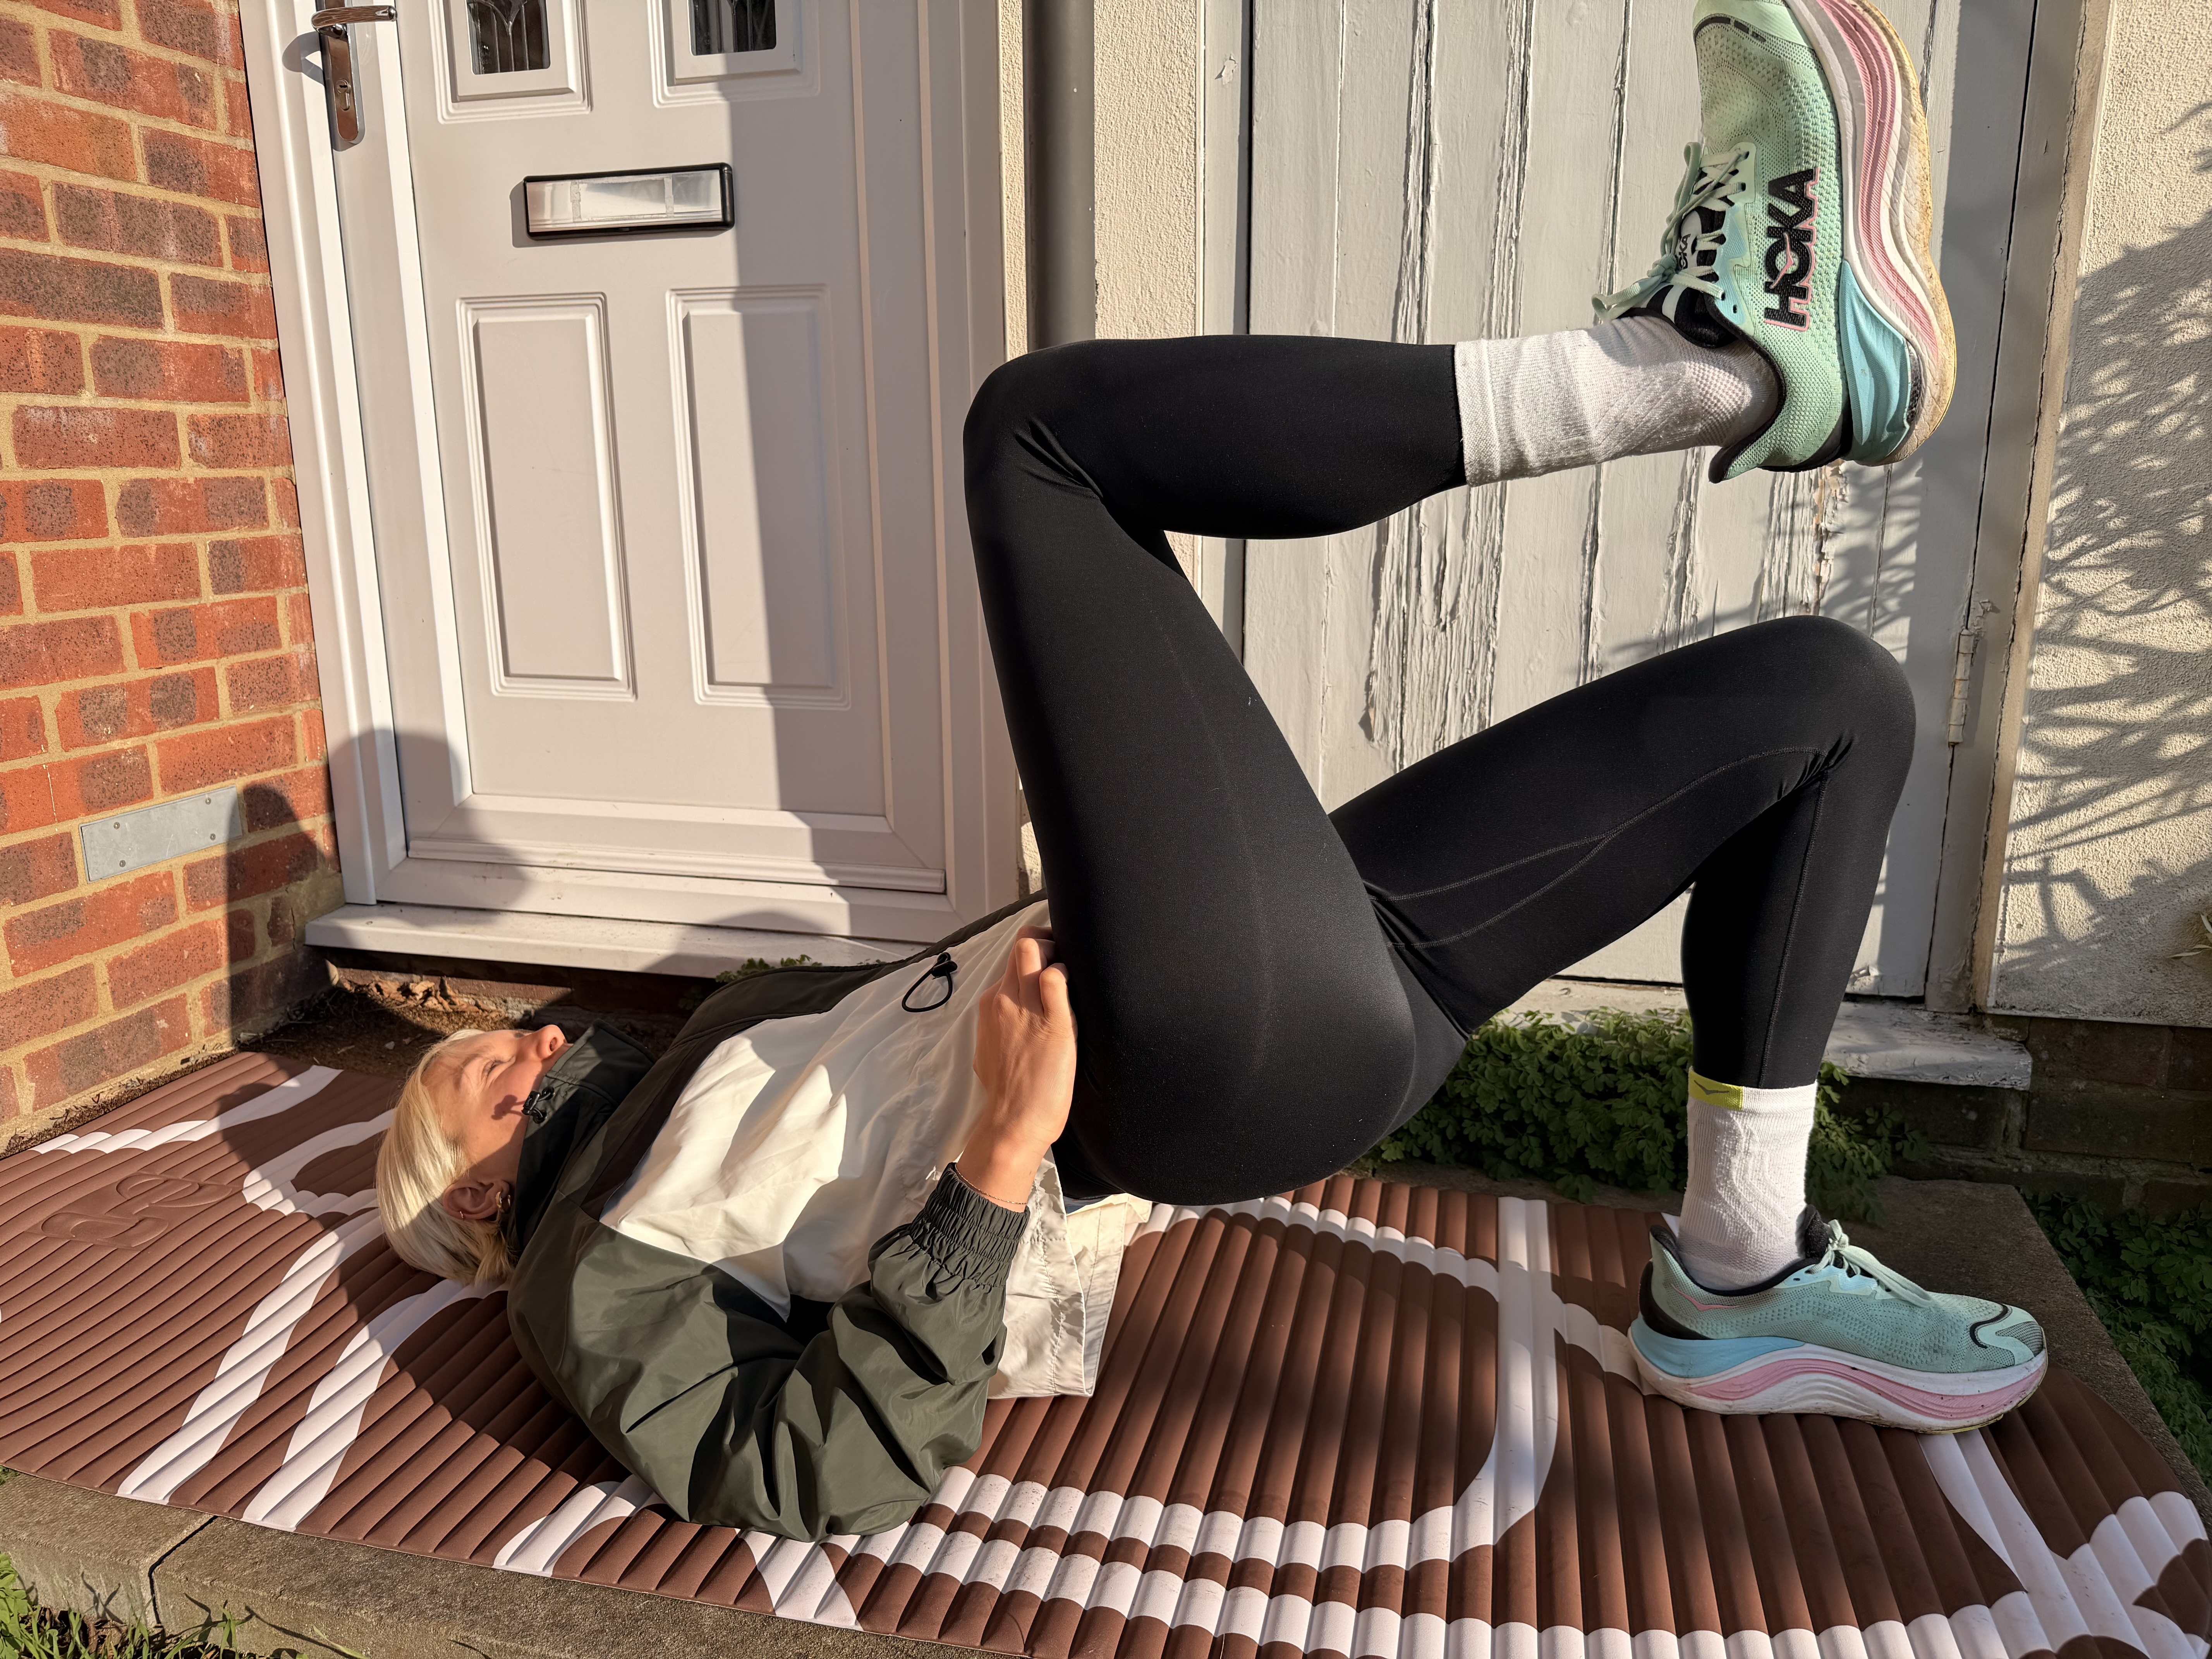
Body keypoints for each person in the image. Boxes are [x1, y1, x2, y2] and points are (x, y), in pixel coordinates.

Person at [374, 0, 2045, 1542]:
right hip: (1195, 1067)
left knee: (1826, 705)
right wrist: (1002, 1162)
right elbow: (803, 1469)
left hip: (1292, 979)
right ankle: (1702, 363)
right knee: (1039, 443)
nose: (527, 1040)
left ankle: (1742, 1271)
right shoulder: (579, 1279)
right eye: (498, 1093)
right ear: (479, 1212)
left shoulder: (698, 1064)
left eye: (502, 1042)